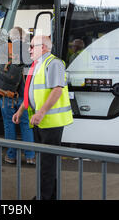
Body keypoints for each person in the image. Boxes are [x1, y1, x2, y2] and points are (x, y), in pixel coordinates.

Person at [12, 35, 73, 200]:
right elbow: (30, 93)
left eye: (32, 46)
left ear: (43, 47)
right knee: (46, 162)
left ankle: (44, 197)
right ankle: (49, 195)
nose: (29, 49)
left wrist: (41, 113)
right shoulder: (36, 65)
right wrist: (20, 111)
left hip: (51, 122)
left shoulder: (54, 63)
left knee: (47, 163)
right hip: (41, 122)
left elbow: (57, 90)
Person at [0, 27, 35, 165]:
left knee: (9, 124)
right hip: (25, 95)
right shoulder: (30, 49)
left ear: (10, 37)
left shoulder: (4, 49)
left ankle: (11, 156)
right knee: (26, 124)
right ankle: (30, 156)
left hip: (7, 94)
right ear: (24, 38)